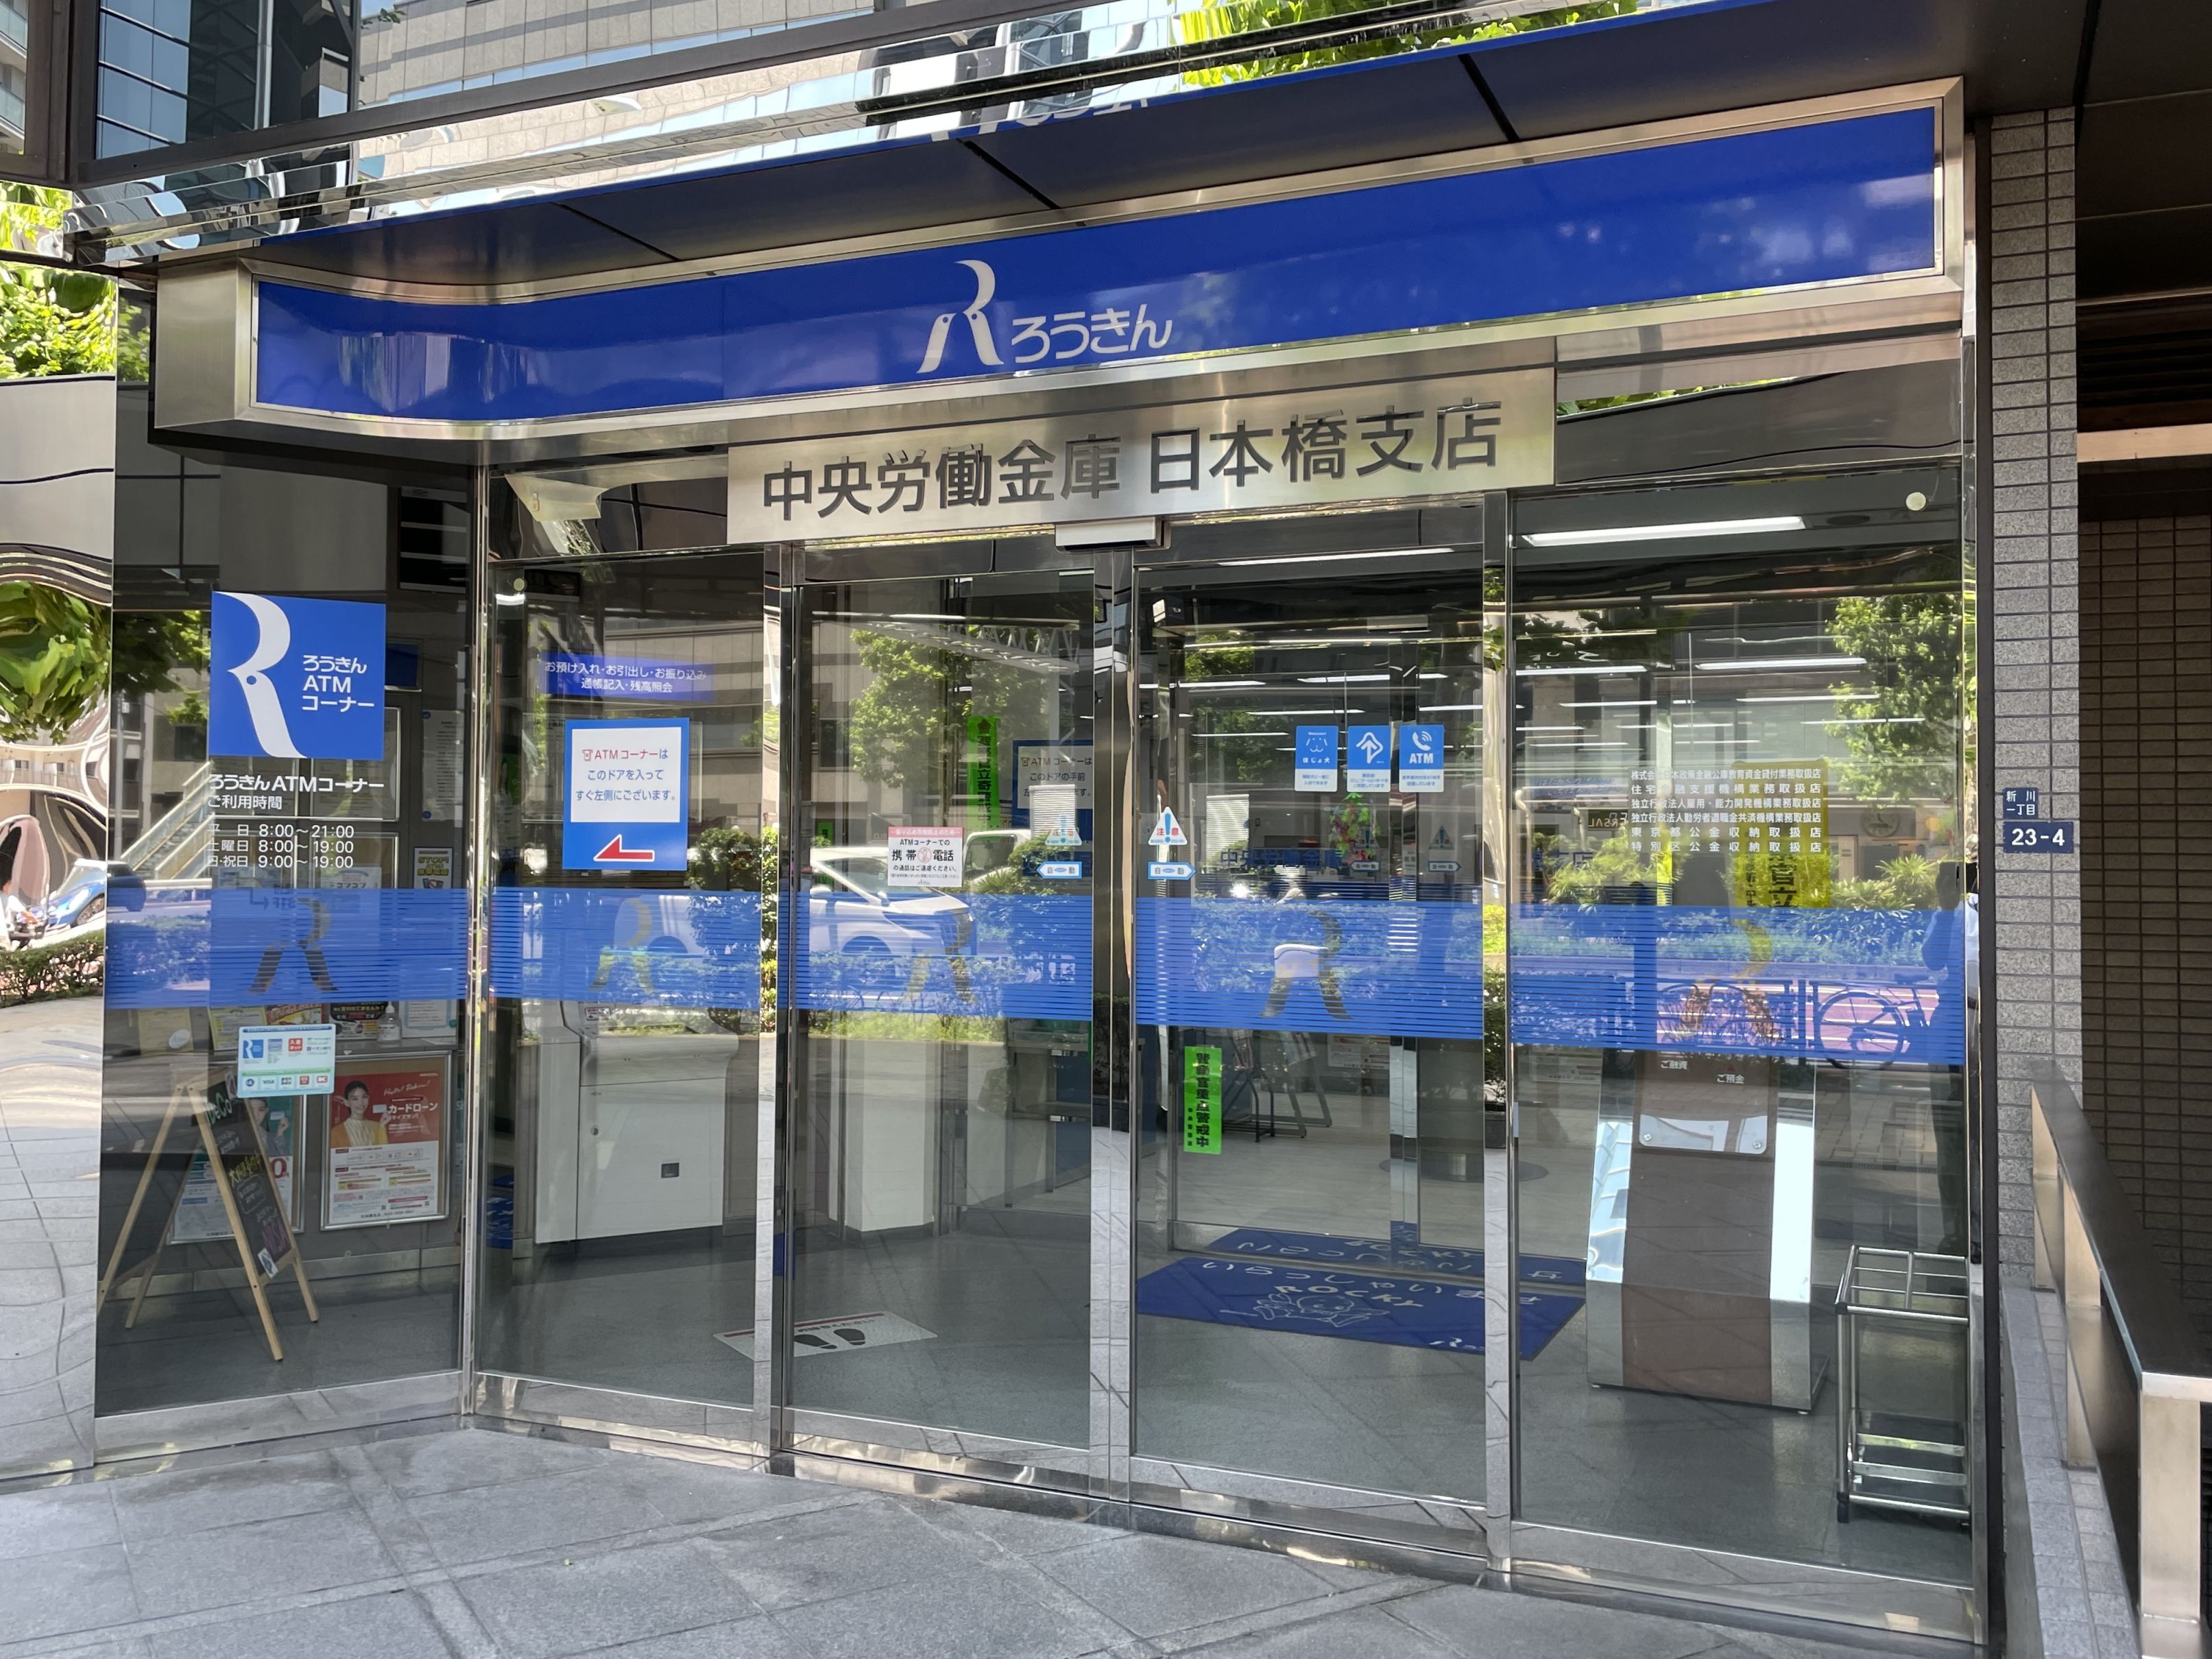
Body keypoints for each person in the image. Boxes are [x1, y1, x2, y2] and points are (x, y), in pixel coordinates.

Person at [334, 1079, 387, 1146]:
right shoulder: (337, 1132)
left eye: (364, 1097)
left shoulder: (378, 1127)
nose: (361, 1103)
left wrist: (382, 1126)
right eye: (355, 1099)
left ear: (368, 1098)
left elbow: (384, 1149)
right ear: (347, 1102)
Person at [1, 879, 34, 950]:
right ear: (5, 885)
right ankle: (17, 953)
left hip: (5, 932)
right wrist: (35, 920)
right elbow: (27, 915)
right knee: (30, 936)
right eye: (10, 884)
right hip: (7, 932)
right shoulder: (10, 899)